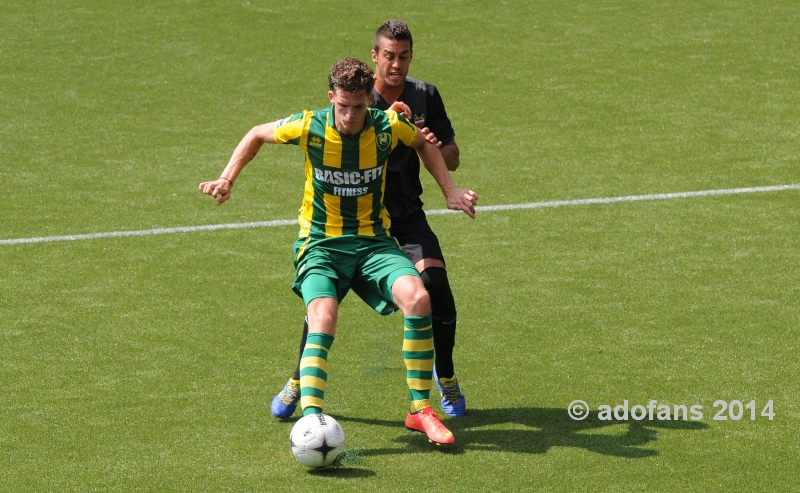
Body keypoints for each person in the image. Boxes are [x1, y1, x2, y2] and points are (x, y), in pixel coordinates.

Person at [199, 58, 477, 445]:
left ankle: (420, 410)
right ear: (332, 97)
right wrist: (227, 178)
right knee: (323, 317)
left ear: (369, 102)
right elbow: (257, 134)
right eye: (342, 106)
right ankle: (313, 420)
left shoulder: (385, 126)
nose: (349, 116)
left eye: (359, 107)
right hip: (321, 245)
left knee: (418, 297)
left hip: (372, 243)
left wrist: (449, 189)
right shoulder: (310, 125)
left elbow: (422, 144)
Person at [271, 20, 470, 422]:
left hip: (405, 215)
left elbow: (448, 154)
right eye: (389, 56)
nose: (396, 64)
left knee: (435, 291)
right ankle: (297, 381)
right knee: (322, 308)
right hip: (355, 221)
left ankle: (444, 377)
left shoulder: (425, 95)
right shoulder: (360, 95)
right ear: (374, 57)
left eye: (404, 56)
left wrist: (427, 144)